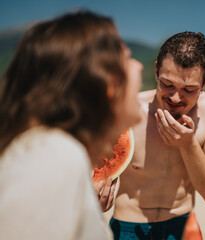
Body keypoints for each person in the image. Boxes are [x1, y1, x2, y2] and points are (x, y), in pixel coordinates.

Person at [0, 10, 143, 240]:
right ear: (108, 84)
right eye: (127, 58)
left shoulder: (51, 151)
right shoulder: (57, 155)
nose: (139, 66)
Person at [110, 31, 205, 239]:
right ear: (156, 71)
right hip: (128, 226)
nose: (176, 97)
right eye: (167, 84)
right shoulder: (126, 110)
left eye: (189, 89)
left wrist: (188, 145)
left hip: (183, 225)